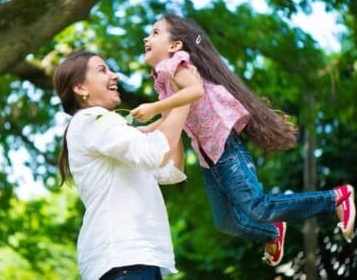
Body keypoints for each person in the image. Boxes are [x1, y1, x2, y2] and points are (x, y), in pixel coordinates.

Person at [130, 14, 356, 266]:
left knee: (258, 206)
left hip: (226, 147)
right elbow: (170, 119)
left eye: (156, 32)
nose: (147, 37)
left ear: (175, 46)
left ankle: (336, 198)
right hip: (209, 159)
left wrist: (153, 107)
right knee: (226, 221)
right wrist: (143, 130)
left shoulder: (175, 65)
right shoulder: (163, 82)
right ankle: (273, 231)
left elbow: (195, 91)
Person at [53, 50, 197, 279]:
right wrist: (184, 98)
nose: (115, 76)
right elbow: (151, 151)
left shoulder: (110, 133)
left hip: (135, 259)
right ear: (81, 88)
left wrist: (176, 103)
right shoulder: (93, 119)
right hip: (123, 259)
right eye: (103, 70)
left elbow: (170, 170)